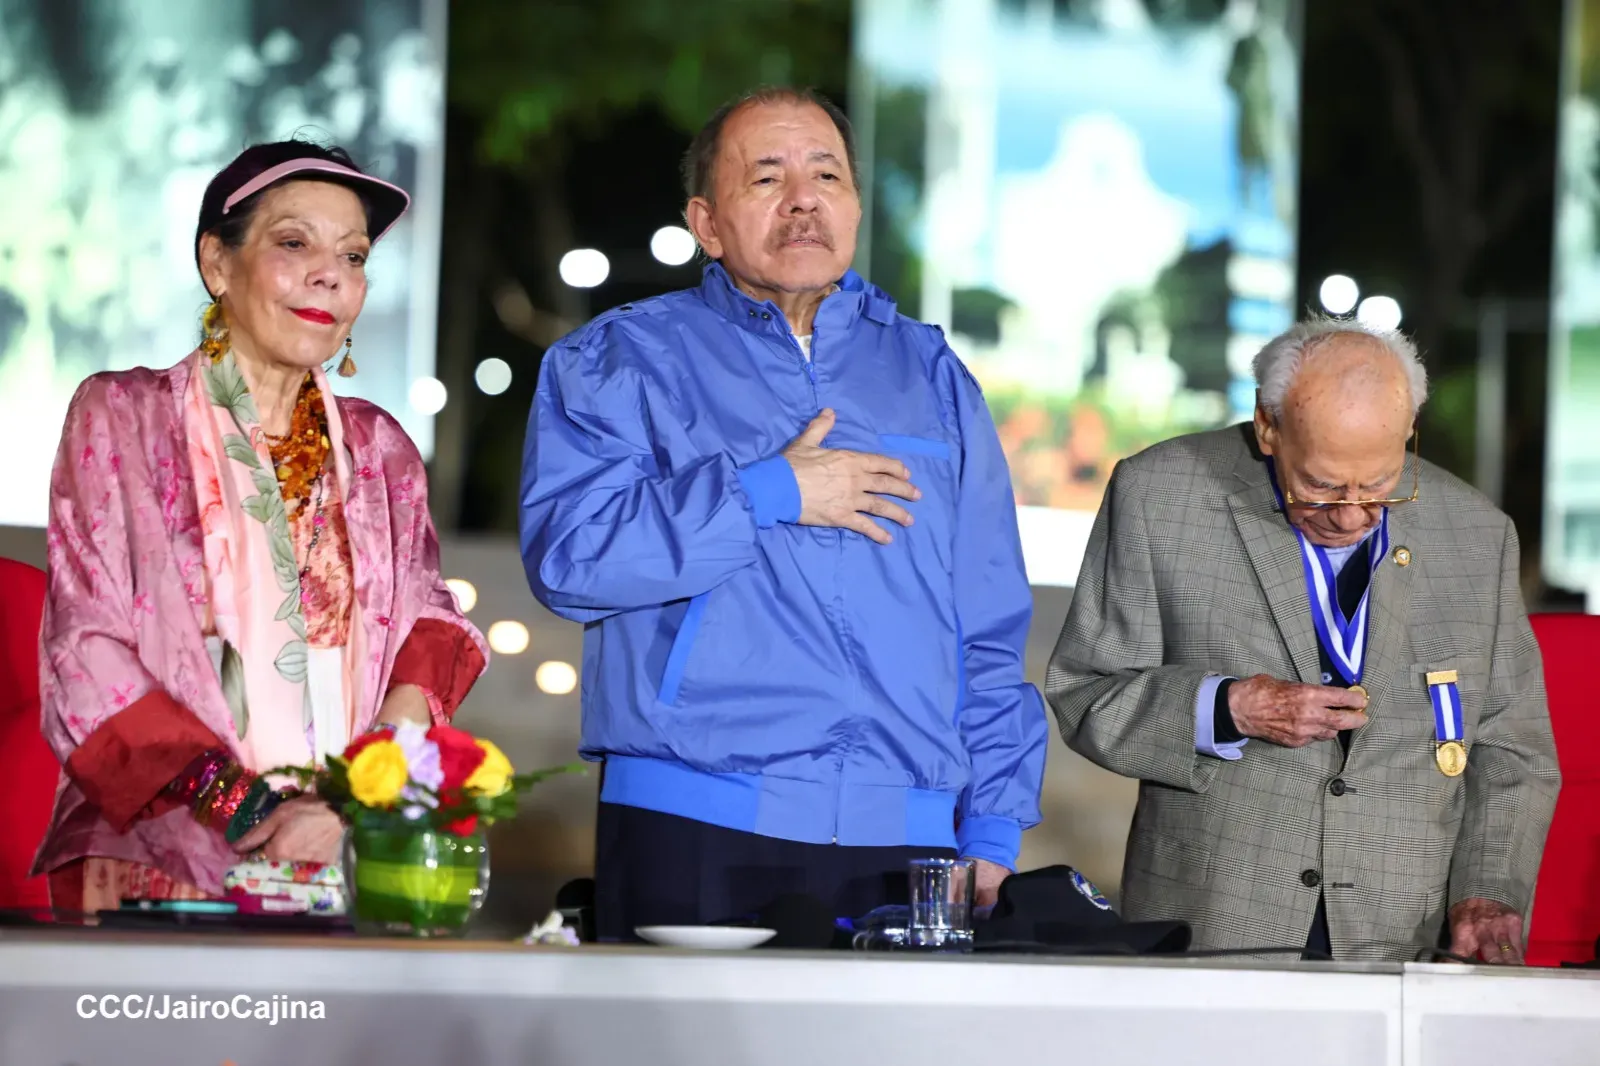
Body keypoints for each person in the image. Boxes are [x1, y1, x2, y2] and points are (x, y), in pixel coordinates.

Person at [520, 87, 1046, 939]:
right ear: (707, 221)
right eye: (767, 177)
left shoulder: (934, 376)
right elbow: (572, 561)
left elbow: (985, 625)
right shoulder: (619, 358)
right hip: (693, 820)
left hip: (909, 838)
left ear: (855, 205)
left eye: (826, 174)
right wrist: (767, 493)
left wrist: (991, 823)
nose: (803, 199)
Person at [34, 141, 487, 913]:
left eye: (352, 254)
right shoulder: (123, 416)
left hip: (334, 851)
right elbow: (85, 651)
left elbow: (429, 635)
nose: (330, 274)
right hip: (163, 851)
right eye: (293, 243)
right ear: (217, 263)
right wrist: (251, 810)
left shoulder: (380, 450)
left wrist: (342, 804)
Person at [1046, 317, 1560, 963]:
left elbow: (1514, 749)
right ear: (1268, 426)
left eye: (1378, 486)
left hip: (1404, 934)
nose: (1349, 515)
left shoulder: (1478, 533)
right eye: (1319, 486)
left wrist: (1489, 893)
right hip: (1215, 924)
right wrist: (1227, 708)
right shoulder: (1161, 494)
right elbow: (1086, 692)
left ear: (1407, 433)